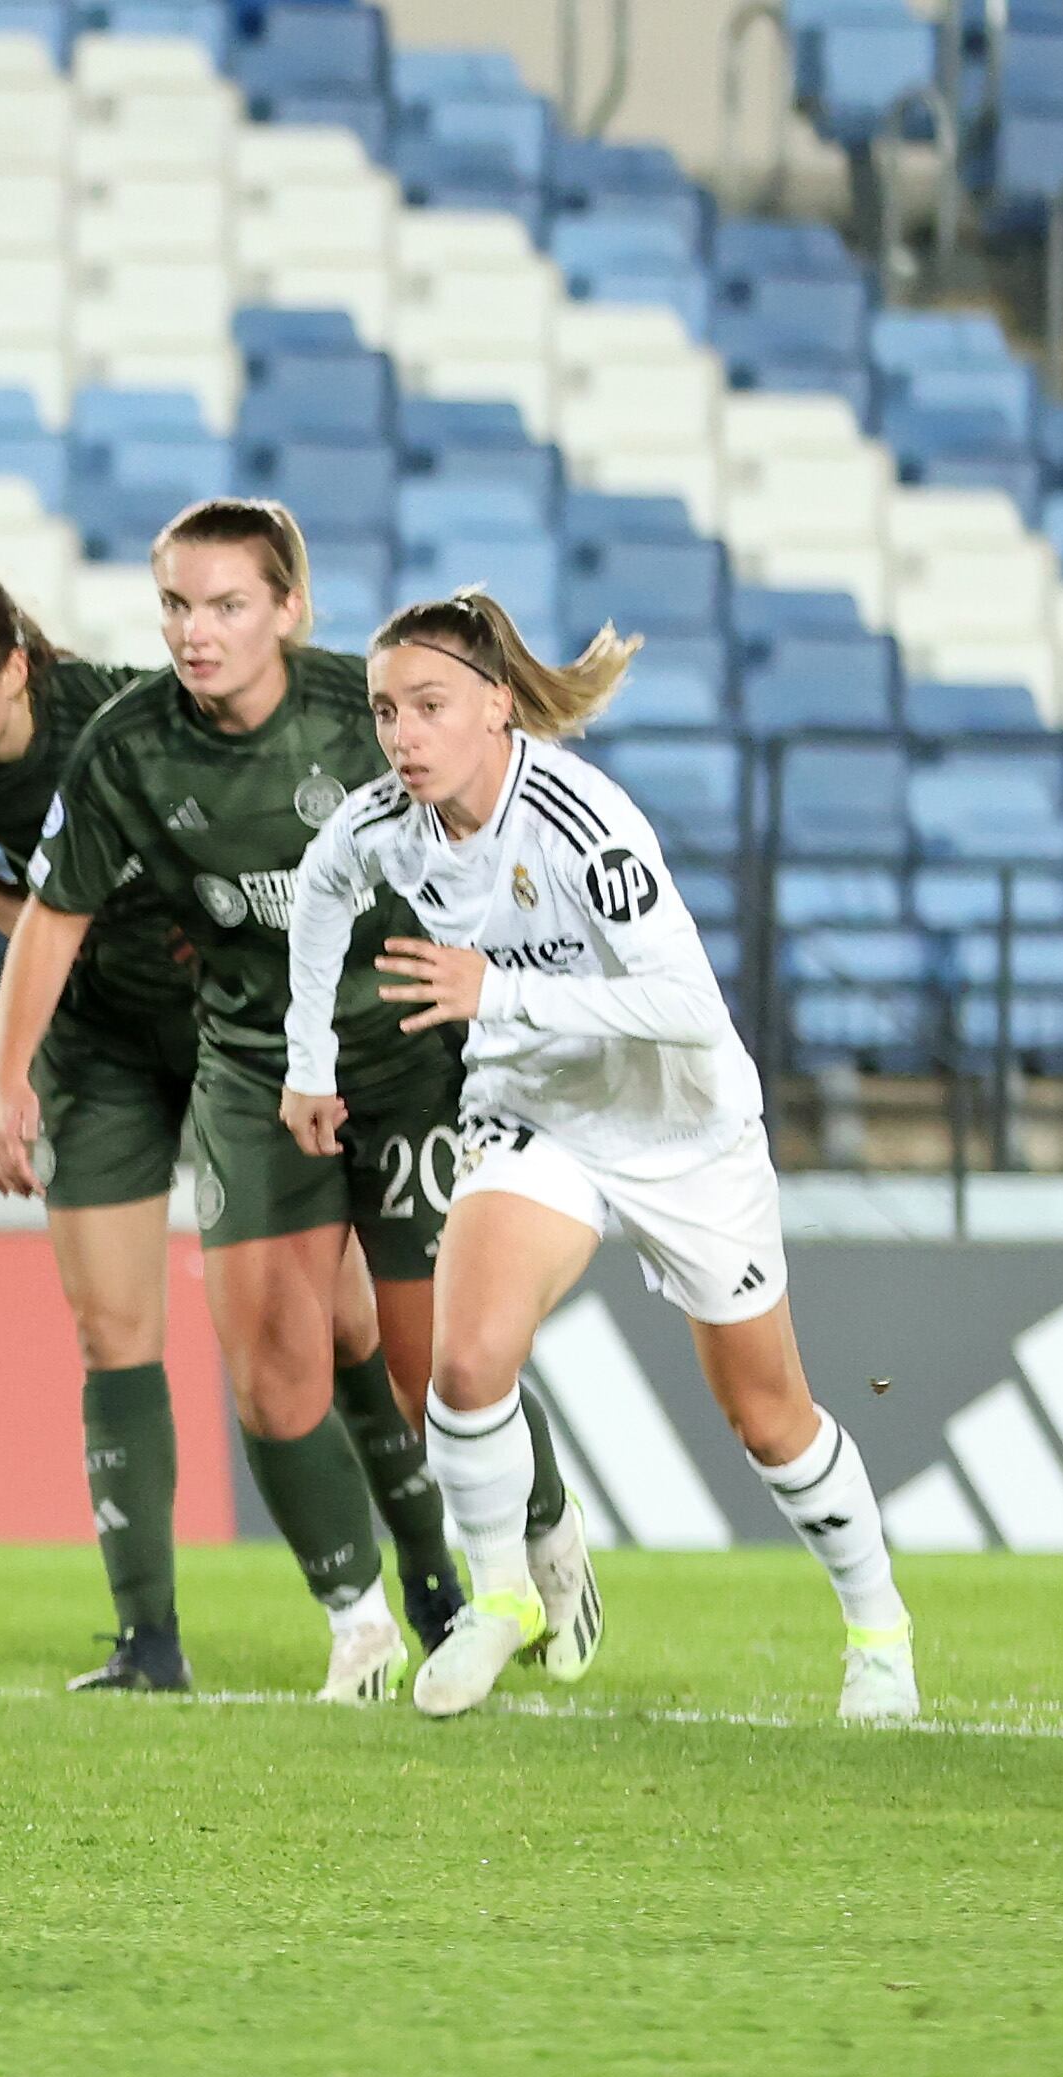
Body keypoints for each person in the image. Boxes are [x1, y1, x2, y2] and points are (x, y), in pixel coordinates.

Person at [286, 592, 915, 1721]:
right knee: (463, 1364)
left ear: (496, 703)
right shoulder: (383, 822)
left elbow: (686, 1002)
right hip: (541, 1113)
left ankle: (877, 1629)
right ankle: (502, 1596)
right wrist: (306, 1062)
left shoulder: (583, 820)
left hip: (681, 1130)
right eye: (385, 710)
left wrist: (499, 990)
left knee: (768, 1417)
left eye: (428, 706)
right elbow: (318, 894)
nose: (402, 735)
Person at [0, 500, 565, 1706]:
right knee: (269, 1367)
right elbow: (55, 914)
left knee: (435, 1367)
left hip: (409, 1062)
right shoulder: (127, 746)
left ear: (290, 610)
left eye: (228, 606)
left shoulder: (372, 714)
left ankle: (544, 1525)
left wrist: (519, 1002)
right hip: (254, 1064)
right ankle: (356, 1621)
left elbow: (508, 834)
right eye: (177, 608)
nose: (196, 633)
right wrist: (4, 1077)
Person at [0, 568, 423, 1692]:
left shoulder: (123, 722)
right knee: (111, 1326)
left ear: (19, 666)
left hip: (230, 1036)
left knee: (345, 1320)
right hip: (95, 1043)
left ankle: (434, 1576)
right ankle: (147, 1640)